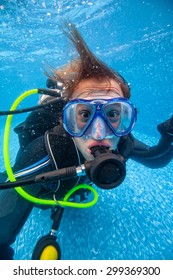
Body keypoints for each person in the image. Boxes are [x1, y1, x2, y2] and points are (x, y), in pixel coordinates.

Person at [0, 23, 173, 260]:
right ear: (65, 120)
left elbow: (155, 159)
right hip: (47, 191)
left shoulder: (122, 141)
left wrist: (169, 135)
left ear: (125, 118)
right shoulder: (45, 152)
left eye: (113, 113)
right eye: (84, 115)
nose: (100, 132)